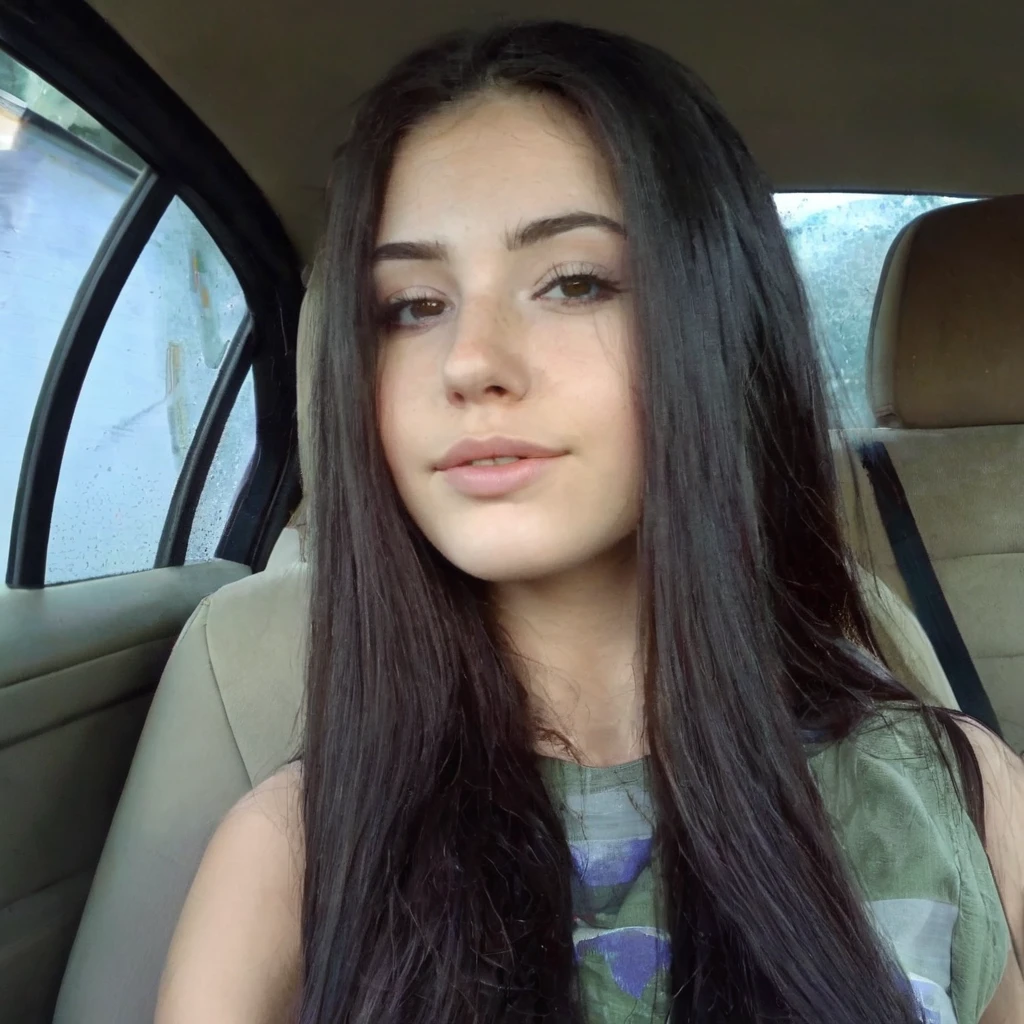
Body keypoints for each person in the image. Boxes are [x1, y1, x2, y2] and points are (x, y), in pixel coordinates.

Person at [154, 20, 1024, 1024]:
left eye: (572, 282)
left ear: (712, 328)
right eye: (410, 305)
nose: (470, 361)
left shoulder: (962, 801)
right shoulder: (291, 858)